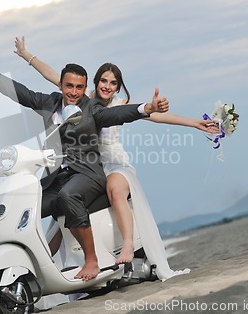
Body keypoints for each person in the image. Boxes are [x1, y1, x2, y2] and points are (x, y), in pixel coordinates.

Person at [13, 36, 219, 279]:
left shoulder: (121, 104)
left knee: (116, 191)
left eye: (113, 83)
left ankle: (129, 244)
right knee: (59, 220)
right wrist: (26, 55)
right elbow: (53, 76)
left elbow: (155, 115)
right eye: (103, 81)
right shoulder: (83, 98)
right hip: (86, 169)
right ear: (96, 82)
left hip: (115, 165)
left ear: (118, 87)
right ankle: (35, 275)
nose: (107, 86)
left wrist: (195, 123)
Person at [0, 48, 170, 280]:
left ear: (85, 88)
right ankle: (30, 268)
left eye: (79, 87)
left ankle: (91, 260)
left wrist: (147, 108)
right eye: (69, 86)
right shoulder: (49, 102)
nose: (74, 92)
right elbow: (18, 92)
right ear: (61, 85)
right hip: (57, 176)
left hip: (88, 174)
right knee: (24, 202)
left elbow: (118, 115)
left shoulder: (92, 108)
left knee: (67, 196)